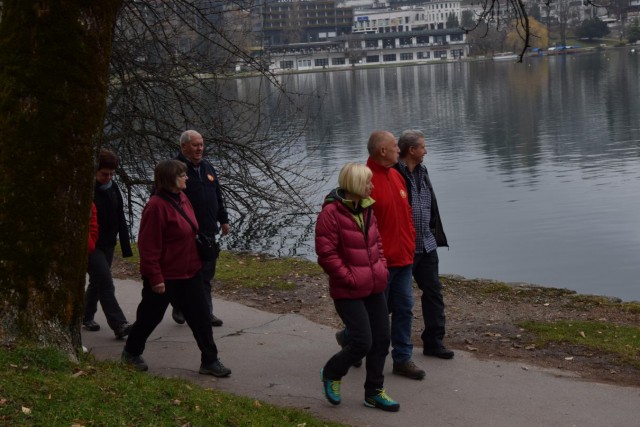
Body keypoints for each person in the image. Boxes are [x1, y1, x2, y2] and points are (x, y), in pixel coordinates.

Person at [121, 160, 231, 377]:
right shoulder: (155, 207)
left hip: (191, 271)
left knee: (201, 317)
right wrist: (155, 278)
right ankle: (131, 352)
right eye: (182, 175)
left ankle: (210, 360)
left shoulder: (183, 198)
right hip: (166, 275)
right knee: (150, 316)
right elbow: (148, 246)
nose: (187, 177)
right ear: (171, 179)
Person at [316, 162, 399, 412]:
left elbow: (378, 244)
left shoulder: (367, 209)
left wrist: (382, 268)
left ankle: (374, 392)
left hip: (374, 285)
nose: (371, 187)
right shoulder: (330, 213)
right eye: (367, 183)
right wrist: (348, 277)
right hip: (348, 289)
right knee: (363, 341)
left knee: (382, 340)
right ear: (354, 185)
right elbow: (326, 254)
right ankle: (332, 372)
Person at [365, 130, 426, 380]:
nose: (398, 151)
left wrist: (410, 242)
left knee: (405, 308)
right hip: (381, 262)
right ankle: (351, 339)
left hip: (404, 259)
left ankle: (402, 358)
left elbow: (406, 213)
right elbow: (360, 224)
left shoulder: (397, 176)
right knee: (376, 315)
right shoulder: (365, 180)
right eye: (394, 147)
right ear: (382, 151)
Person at [395, 130, 453, 359]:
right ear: (412, 150)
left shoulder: (423, 171)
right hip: (404, 246)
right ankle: (356, 337)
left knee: (433, 293)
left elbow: (428, 205)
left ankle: (433, 342)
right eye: (423, 147)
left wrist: (433, 230)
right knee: (393, 300)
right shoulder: (393, 174)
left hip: (426, 244)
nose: (426, 151)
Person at [171, 130, 230, 327]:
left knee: (207, 273)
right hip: (186, 232)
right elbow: (165, 198)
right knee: (186, 272)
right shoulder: (175, 170)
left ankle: (206, 312)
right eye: (195, 145)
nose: (199, 149)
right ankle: (180, 305)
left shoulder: (208, 167)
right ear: (184, 147)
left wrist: (223, 219)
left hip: (208, 230)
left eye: (201, 144)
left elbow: (217, 196)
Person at [83, 149, 133, 339]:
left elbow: (120, 217)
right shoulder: (87, 190)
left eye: (112, 174)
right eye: (104, 174)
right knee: (105, 281)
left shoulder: (113, 188)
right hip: (92, 245)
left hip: (109, 243)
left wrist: (125, 246)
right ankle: (119, 324)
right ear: (95, 171)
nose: (108, 177)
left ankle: (86, 316)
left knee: (97, 282)